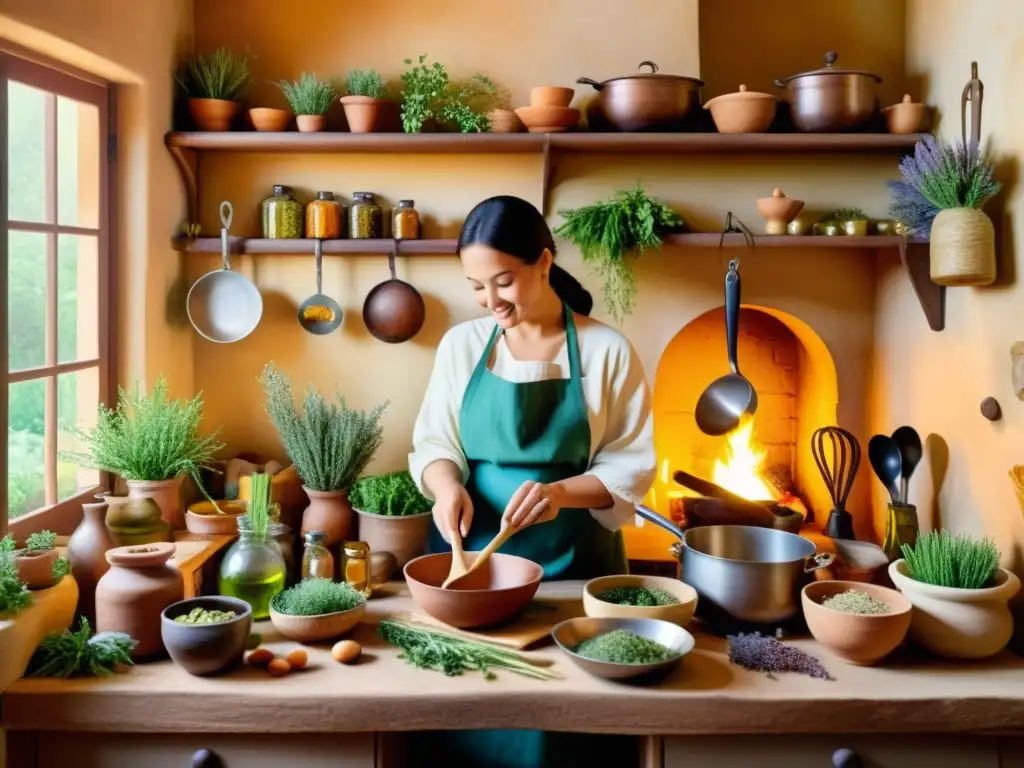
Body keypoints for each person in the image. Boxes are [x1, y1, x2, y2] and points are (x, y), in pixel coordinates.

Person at [406, 195, 656, 767]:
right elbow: (436, 444)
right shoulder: (461, 347)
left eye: (503, 281)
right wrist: (447, 488)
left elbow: (631, 465)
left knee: (565, 722)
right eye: (475, 286)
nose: (489, 301)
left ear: (544, 262)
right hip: (471, 569)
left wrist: (558, 493)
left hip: (577, 570)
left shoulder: (606, 349)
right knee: (469, 711)